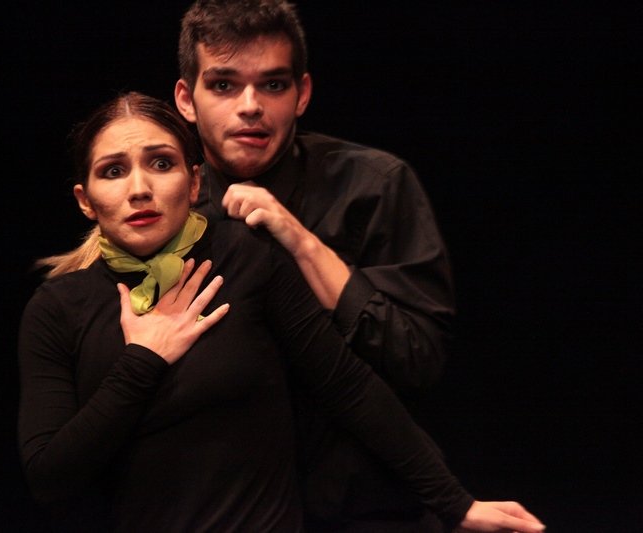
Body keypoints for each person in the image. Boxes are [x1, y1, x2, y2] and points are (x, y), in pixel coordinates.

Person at [17, 92, 544, 532]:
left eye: (161, 163)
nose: (139, 189)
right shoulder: (58, 308)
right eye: (114, 171)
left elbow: (347, 385)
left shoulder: (245, 259)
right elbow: (49, 478)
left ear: (194, 182)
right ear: (85, 199)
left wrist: (454, 504)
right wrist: (142, 360)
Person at [172, 1, 457, 529]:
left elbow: (418, 360)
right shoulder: (166, 210)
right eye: (224, 85)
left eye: (273, 85)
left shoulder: (373, 185)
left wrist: (302, 242)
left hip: (371, 509)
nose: (250, 106)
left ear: (301, 94)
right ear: (187, 99)